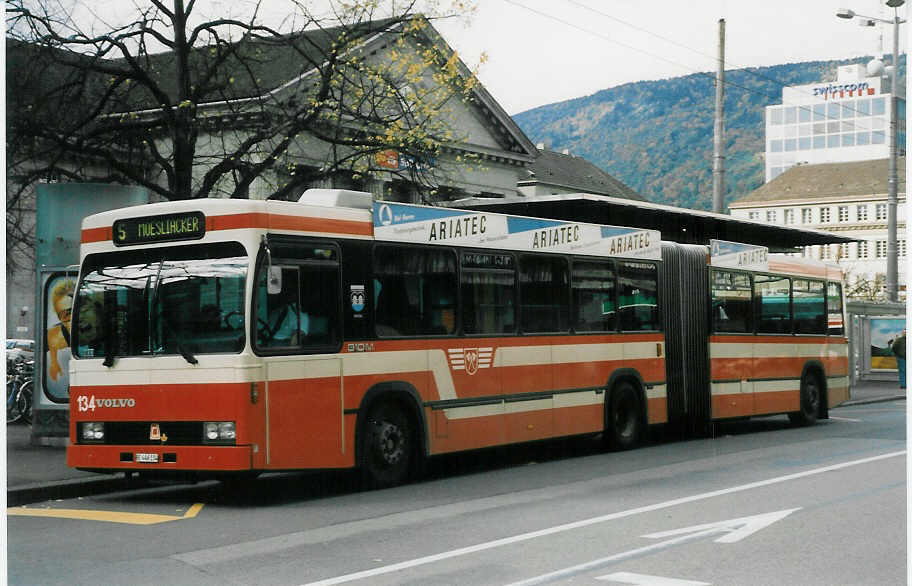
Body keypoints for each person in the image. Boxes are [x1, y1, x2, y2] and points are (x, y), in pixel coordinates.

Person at [47, 279, 75, 382]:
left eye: (76, 311)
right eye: (66, 315)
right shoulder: (57, 339)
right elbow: (51, 333)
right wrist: (54, 361)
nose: (73, 319)